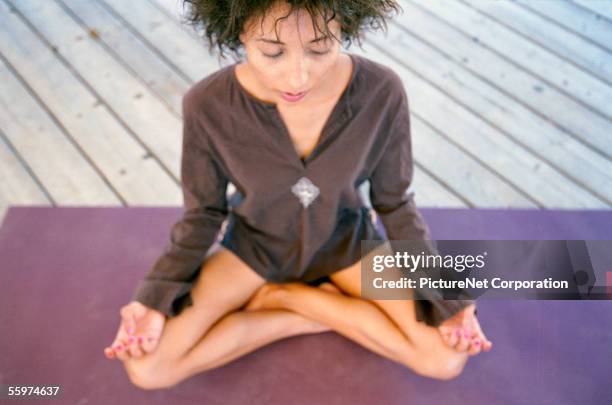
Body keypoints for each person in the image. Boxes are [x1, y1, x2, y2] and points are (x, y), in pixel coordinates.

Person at [103, 0, 492, 389]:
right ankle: (317, 310)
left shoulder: (381, 91)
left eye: (320, 48)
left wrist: (446, 299)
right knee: (149, 368)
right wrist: (153, 298)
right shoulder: (206, 104)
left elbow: (394, 202)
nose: (297, 78)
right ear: (238, 31)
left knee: (444, 358)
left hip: (348, 244)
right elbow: (203, 214)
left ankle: (288, 298)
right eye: (272, 52)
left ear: (346, 28)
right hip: (254, 248)